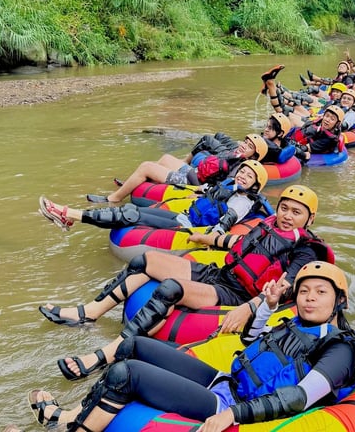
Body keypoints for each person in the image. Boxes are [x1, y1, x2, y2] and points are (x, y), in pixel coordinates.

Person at [23, 262, 355, 432]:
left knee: (125, 374)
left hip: (235, 406)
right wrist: (266, 307)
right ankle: (71, 415)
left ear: (339, 301)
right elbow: (249, 345)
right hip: (225, 382)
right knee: (134, 345)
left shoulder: (342, 349)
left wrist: (233, 415)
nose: (309, 297)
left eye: (320, 292)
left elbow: (299, 399)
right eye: (304, 291)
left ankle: (70, 429)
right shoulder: (293, 324)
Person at [39, 185, 333, 381]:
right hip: (221, 274)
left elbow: (284, 286)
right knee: (145, 261)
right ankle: (90, 312)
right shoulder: (268, 225)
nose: (287, 216)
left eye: (296, 212)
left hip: (237, 294)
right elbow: (238, 243)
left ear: (310, 218)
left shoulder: (306, 250)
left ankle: (106, 354)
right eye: (284, 208)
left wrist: (249, 308)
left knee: (170, 289)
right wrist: (205, 237)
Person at [38, 160, 272, 237]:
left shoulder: (242, 201)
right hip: (184, 216)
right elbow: (206, 192)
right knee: (133, 211)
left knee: (131, 213)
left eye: (248, 175)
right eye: (242, 171)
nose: (242, 175)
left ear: (255, 185)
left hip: (189, 228)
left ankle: (68, 214)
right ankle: (71, 216)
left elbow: (224, 224)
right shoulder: (230, 187)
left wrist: (207, 237)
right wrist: (197, 192)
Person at [87, 134, 269, 204]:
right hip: (194, 173)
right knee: (166, 158)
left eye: (249, 146)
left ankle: (114, 198)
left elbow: (224, 187)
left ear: (253, 156)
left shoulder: (240, 168)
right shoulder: (233, 154)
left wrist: (200, 191)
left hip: (193, 183)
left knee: (146, 166)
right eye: (245, 142)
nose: (244, 145)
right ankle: (131, 183)